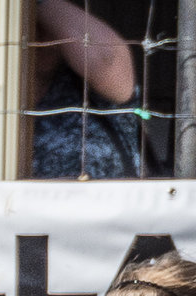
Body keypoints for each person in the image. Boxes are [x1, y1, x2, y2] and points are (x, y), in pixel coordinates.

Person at [28, 0, 144, 180]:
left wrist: (37, 4)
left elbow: (109, 61)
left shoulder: (92, 91)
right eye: (32, 27)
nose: (42, 38)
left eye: (49, 27)